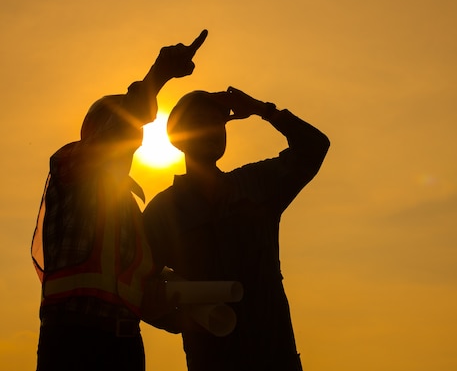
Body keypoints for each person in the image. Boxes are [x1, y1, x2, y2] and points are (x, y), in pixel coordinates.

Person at [30, 30, 208, 371]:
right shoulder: (71, 167)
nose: (132, 143)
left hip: (123, 346)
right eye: (124, 129)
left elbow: (139, 290)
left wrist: (190, 307)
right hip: (73, 341)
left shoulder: (128, 211)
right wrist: (158, 75)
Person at [143, 87, 330, 371]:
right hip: (212, 360)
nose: (213, 130)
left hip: (276, 357)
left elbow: (314, 146)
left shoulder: (257, 184)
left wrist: (262, 109)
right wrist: (182, 321)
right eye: (200, 123)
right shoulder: (162, 212)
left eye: (218, 122)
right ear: (178, 138)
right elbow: (138, 287)